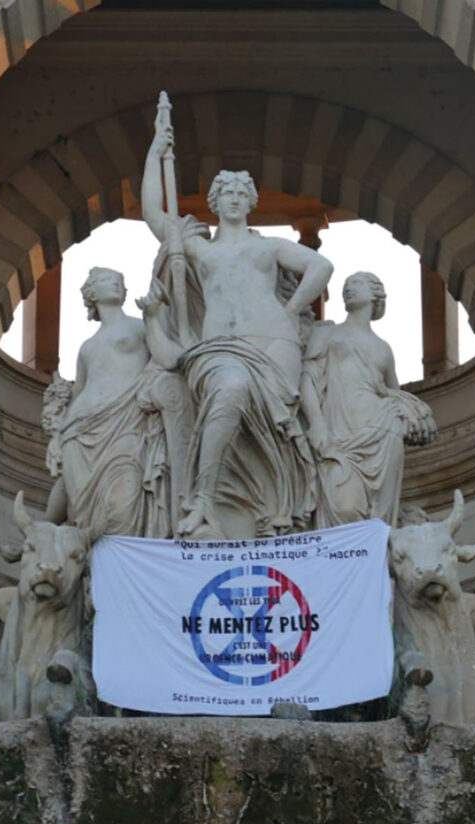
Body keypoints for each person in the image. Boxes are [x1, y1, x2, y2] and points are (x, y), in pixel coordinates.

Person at [142, 120, 333, 539]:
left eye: (240, 193)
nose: (232, 198)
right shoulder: (198, 248)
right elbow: (153, 215)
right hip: (219, 349)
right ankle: (205, 500)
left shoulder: (267, 247)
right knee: (229, 390)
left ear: (250, 203)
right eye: (225, 193)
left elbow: (321, 266)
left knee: (266, 426)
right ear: (214, 202)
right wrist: (156, 152)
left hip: (272, 343)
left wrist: (290, 311)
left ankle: (266, 512)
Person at [301, 271, 437, 527]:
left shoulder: (383, 348)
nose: (347, 288)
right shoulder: (326, 334)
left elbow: (393, 392)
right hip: (338, 433)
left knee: (377, 517)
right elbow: (308, 379)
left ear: (375, 293)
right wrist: (316, 422)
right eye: (346, 285)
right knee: (344, 507)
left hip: (382, 432)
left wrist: (412, 409)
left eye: (356, 284)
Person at [44, 267, 171, 538]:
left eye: (119, 280)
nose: (114, 282)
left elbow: (166, 359)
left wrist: (156, 315)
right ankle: (44, 533)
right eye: (105, 280)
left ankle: (123, 565)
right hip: (80, 429)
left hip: (127, 418)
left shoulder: (141, 325)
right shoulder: (87, 346)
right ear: (91, 293)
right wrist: (59, 430)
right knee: (79, 506)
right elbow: (79, 390)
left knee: (123, 502)